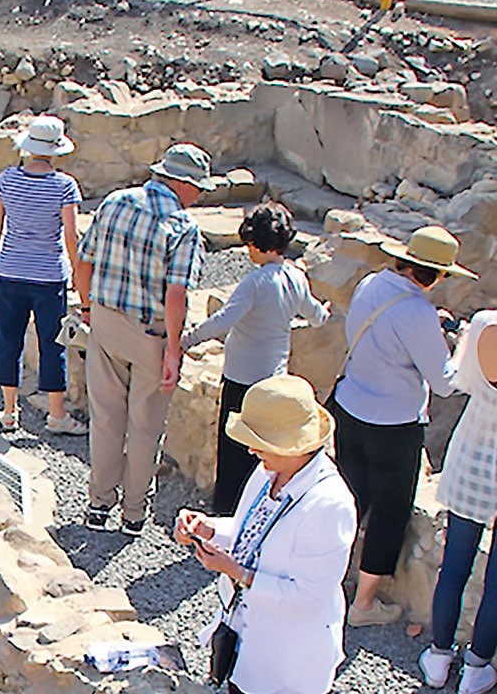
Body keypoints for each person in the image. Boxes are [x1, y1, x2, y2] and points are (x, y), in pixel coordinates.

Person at [329, 225, 477, 627]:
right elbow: (446, 382)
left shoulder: (372, 284)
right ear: (435, 274)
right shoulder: (419, 313)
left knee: (349, 499)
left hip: (350, 407)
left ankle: (326, 578)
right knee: (389, 513)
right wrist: (461, 340)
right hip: (393, 426)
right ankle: (362, 605)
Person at [175, 374, 357, 694]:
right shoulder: (268, 470)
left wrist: (236, 572)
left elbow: (309, 598)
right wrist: (209, 528)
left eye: (259, 440)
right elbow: (252, 530)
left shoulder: (330, 506)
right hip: (245, 636)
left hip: (286, 660)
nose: (250, 449)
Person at [75, 143, 213, 537]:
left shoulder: (116, 202)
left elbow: (83, 261)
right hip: (150, 331)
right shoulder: (182, 226)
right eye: (198, 189)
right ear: (184, 185)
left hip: (105, 319)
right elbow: (176, 294)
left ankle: (99, 504)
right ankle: (133, 514)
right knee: (145, 424)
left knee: (105, 418)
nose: (200, 197)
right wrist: (174, 349)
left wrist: (87, 308)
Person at [182, 202, 330, 514]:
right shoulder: (296, 278)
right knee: (265, 454)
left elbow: (224, 320)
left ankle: (226, 514)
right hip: (275, 379)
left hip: (242, 379)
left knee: (235, 453)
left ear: (256, 243)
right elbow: (317, 316)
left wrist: (188, 339)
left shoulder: (256, 282)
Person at [0, 115, 83, 435]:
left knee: (8, 340)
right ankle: (56, 414)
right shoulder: (64, 186)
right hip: (48, 276)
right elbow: (71, 236)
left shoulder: (8, 179)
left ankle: (9, 412)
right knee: (51, 344)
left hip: (10, 271)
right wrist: (79, 275)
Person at [418, 310, 497, 694]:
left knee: (453, 569)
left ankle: (438, 657)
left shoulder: (484, 324)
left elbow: (460, 378)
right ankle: (477, 667)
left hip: (472, 459)